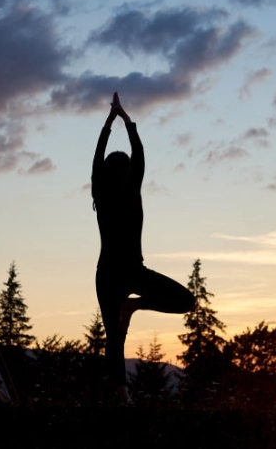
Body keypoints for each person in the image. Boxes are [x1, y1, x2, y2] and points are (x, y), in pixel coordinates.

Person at [92, 92, 194, 404]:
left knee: (116, 337)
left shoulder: (103, 193)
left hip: (112, 273)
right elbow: (137, 154)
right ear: (126, 173)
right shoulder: (126, 193)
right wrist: (124, 120)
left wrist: (111, 123)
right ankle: (121, 397)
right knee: (117, 335)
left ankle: (133, 307)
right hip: (126, 272)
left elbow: (99, 160)